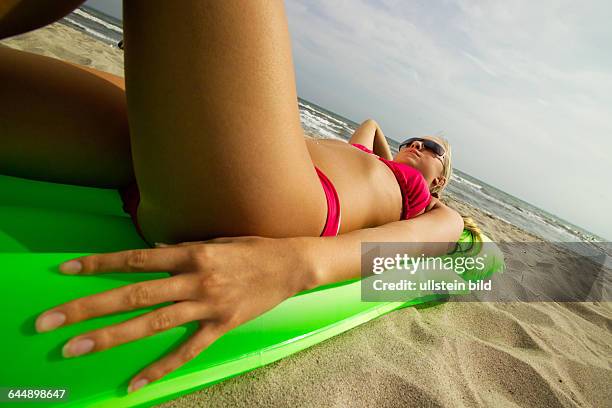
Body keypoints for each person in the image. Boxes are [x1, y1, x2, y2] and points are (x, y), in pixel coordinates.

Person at [0, 1, 467, 393]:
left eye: (433, 150)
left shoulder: (434, 205)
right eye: (416, 139)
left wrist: (295, 265)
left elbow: (435, 240)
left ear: (441, 180)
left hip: (272, 203)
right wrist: (391, 152)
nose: (419, 146)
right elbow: (369, 126)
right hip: (211, 157)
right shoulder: (372, 158)